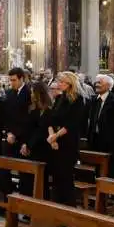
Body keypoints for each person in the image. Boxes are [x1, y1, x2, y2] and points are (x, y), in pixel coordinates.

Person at [48, 72, 86, 205]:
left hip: (68, 141)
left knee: (65, 176)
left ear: (70, 84)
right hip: (55, 141)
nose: (59, 84)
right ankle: (56, 206)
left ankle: (69, 207)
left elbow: (72, 123)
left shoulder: (78, 99)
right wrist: (52, 137)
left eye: (62, 82)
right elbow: (51, 118)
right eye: (59, 82)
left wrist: (55, 136)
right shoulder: (59, 98)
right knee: (56, 176)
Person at [19, 81, 53, 197]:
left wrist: (29, 145)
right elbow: (27, 129)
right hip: (31, 149)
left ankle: (41, 205)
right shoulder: (34, 110)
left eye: (33, 92)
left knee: (40, 181)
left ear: (39, 94)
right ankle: (28, 207)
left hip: (43, 150)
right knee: (27, 179)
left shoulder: (49, 111)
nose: (31, 95)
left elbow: (41, 132)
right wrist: (24, 144)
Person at [87, 74, 114, 170]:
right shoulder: (93, 100)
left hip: (109, 142)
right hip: (94, 139)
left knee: (109, 168)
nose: (97, 85)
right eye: (96, 82)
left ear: (109, 86)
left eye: (100, 82)